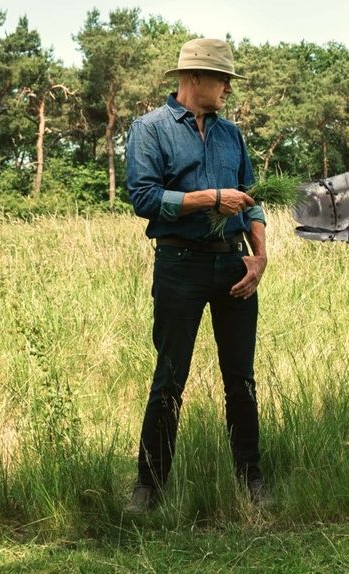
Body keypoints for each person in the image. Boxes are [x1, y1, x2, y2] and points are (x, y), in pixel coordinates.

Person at [124, 38, 268, 513]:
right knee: (169, 379)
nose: (229, 87)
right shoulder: (150, 130)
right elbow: (144, 198)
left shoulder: (233, 135)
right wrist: (209, 199)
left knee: (241, 380)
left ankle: (253, 484)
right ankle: (149, 489)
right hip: (179, 266)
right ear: (193, 79)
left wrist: (260, 255)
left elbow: (252, 198)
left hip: (234, 265)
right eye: (222, 78)